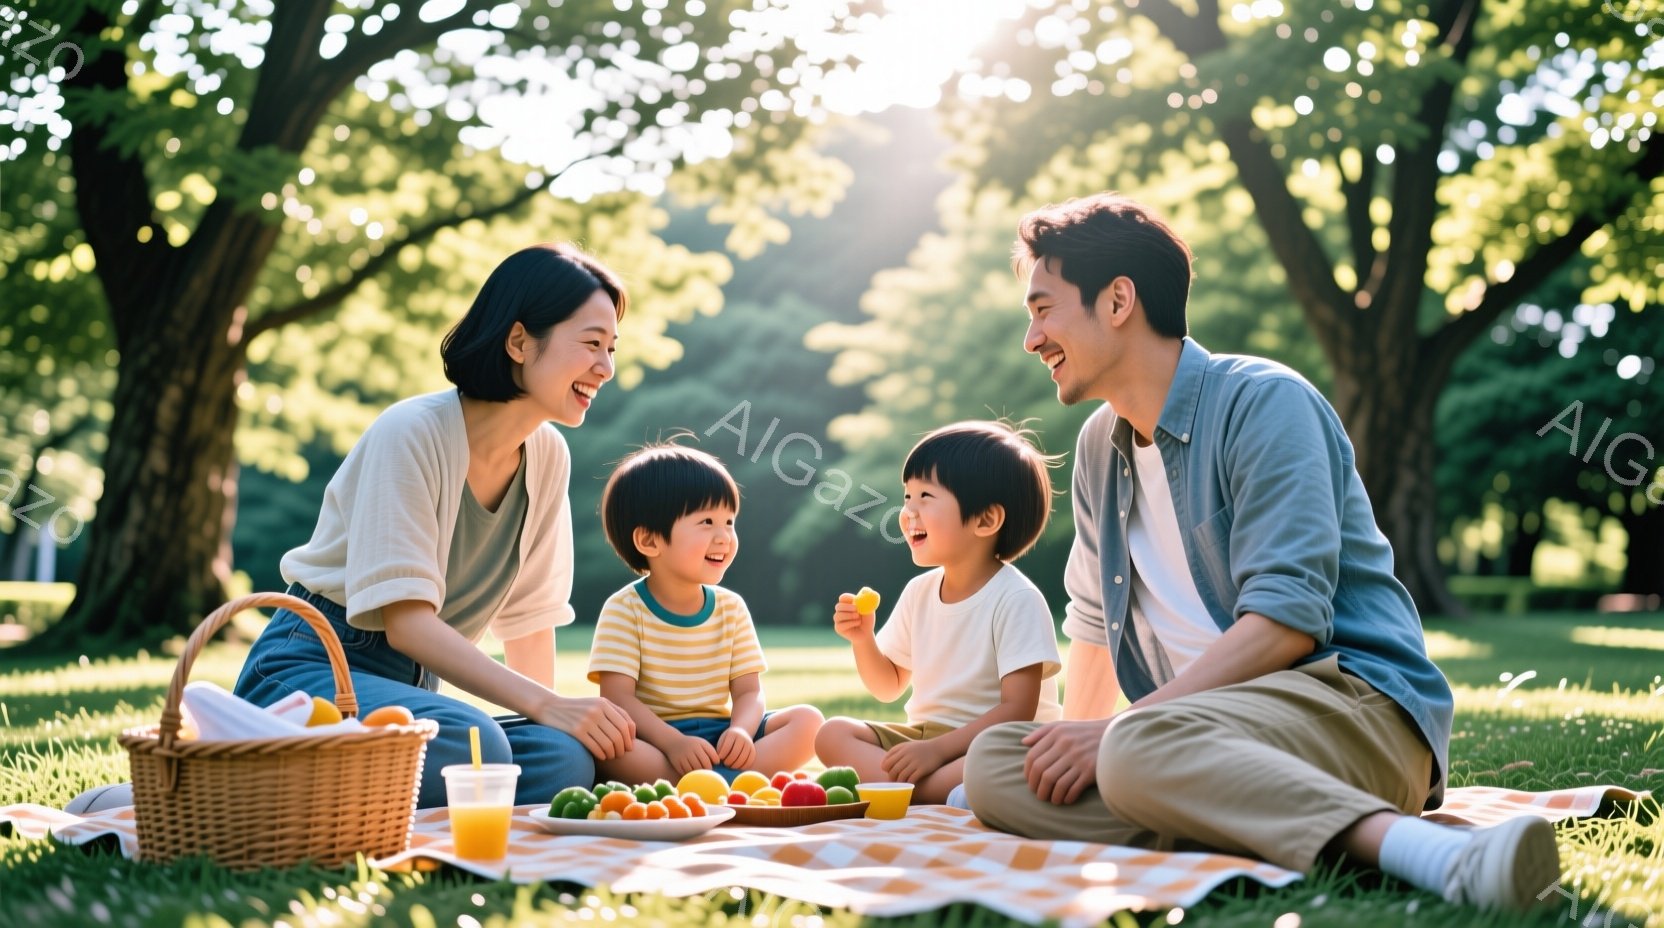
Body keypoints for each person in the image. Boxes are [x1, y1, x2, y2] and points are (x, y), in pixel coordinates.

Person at [960, 194, 1560, 912]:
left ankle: (1442, 858)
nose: (1031, 338)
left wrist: (1116, 736)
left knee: (1131, 747)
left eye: (1044, 308)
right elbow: (1092, 626)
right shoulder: (1098, 445)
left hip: (1352, 706)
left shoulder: (1265, 403)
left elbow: (1286, 623)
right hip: (1199, 734)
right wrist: (1075, 744)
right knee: (999, 766)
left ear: (1118, 300)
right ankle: (1244, 817)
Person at [229, 243, 637, 809]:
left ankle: (338, 797)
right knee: (480, 749)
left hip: (411, 693)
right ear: (519, 341)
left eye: (611, 349)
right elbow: (408, 625)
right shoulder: (412, 432)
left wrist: (555, 719)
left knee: (562, 757)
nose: (606, 367)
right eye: (592, 343)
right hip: (310, 671)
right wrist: (549, 705)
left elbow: (529, 623)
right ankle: (243, 787)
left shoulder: (548, 456)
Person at [816, 421, 1063, 804]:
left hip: (993, 742)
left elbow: (1017, 712)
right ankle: (931, 793)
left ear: (985, 520)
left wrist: (937, 752)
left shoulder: (1017, 599)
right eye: (907, 496)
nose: (907, 512)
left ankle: (913, 793)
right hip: (926, 738)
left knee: (1003, 757)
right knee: (831, 734)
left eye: (925, 496)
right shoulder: (920, 592)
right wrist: (863, 639)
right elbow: (888, 685)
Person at [587, 442, 823, 783]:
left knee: (809, 722)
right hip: (656, 740)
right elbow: (617, 699)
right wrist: (674, 743)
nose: (724, 536)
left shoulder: (731, 608)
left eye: (729, 521)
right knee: (607, 747)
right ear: (650, 541)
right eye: (707, 522)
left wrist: (741, 732)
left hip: (722, 738)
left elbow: (749, 692)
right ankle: (730, 783)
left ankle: (708, 783)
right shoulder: (625, 610)